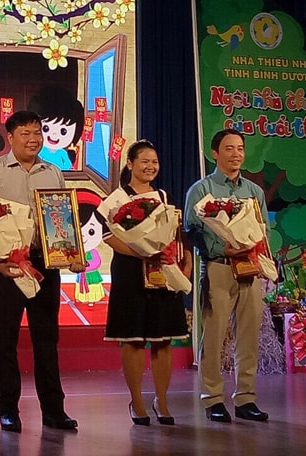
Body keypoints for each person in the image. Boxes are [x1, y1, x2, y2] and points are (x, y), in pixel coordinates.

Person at [0, 110, 84, 433]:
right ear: (10, 137)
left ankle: (54, 410)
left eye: (37, 132)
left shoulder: (53, 171)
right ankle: (8, 409)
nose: (34, 139)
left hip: (45, 264)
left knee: (47, 339)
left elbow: (63, 217)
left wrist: (71, 254)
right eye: (25, 133)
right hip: (8, 264)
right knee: (5, 339)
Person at [101, 140, 189, 425]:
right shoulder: (116, 200)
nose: (150, 166)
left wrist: (185, 260)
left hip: (163, 271)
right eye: (144, 161)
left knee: (163, 339)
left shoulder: (164, 196)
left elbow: (178, 233)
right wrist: (140, 251)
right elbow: (107, 236)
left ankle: (161, 400)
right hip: (130, 273)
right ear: (130, 164)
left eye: (155, 162)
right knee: (134, 339)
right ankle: (137, 400)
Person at [184, 129, 269, 424]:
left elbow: (263, 229)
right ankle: (213, 399)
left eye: (240, 148)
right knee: (214, 334)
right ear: (215, 153)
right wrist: (222, 247)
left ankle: (246, 398)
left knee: (248, 335)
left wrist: (261, 256)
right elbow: (192, 231)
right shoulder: (201, 190)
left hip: (250, 268)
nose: (236, 154)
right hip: (218, 267)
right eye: (229, 148)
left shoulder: (254, 191)